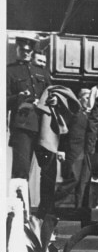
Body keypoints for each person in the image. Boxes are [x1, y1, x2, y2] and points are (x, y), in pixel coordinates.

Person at [7, 34, 54, 204]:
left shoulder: (41, 72)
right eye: (23, 50)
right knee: (21, 171)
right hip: (22, 128)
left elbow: (51, 92)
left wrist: (52, 99)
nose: (26, 53)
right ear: (17, 50)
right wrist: (18, 97)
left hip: (43, 127)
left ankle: (45, 213)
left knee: (49, 170)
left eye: (29, 51)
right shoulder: (9, 71)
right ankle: (20, 212)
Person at [54, 88, 91, 207]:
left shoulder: (90, 114)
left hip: (85, 152)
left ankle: (78, 210)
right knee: (72, 179)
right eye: (86, 97)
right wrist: (60, 149)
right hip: (73, 151)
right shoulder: (73, 111)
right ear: (79, 99)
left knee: (83, 183)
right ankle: (51, 204)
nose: (89, 100)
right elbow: (63, 132)